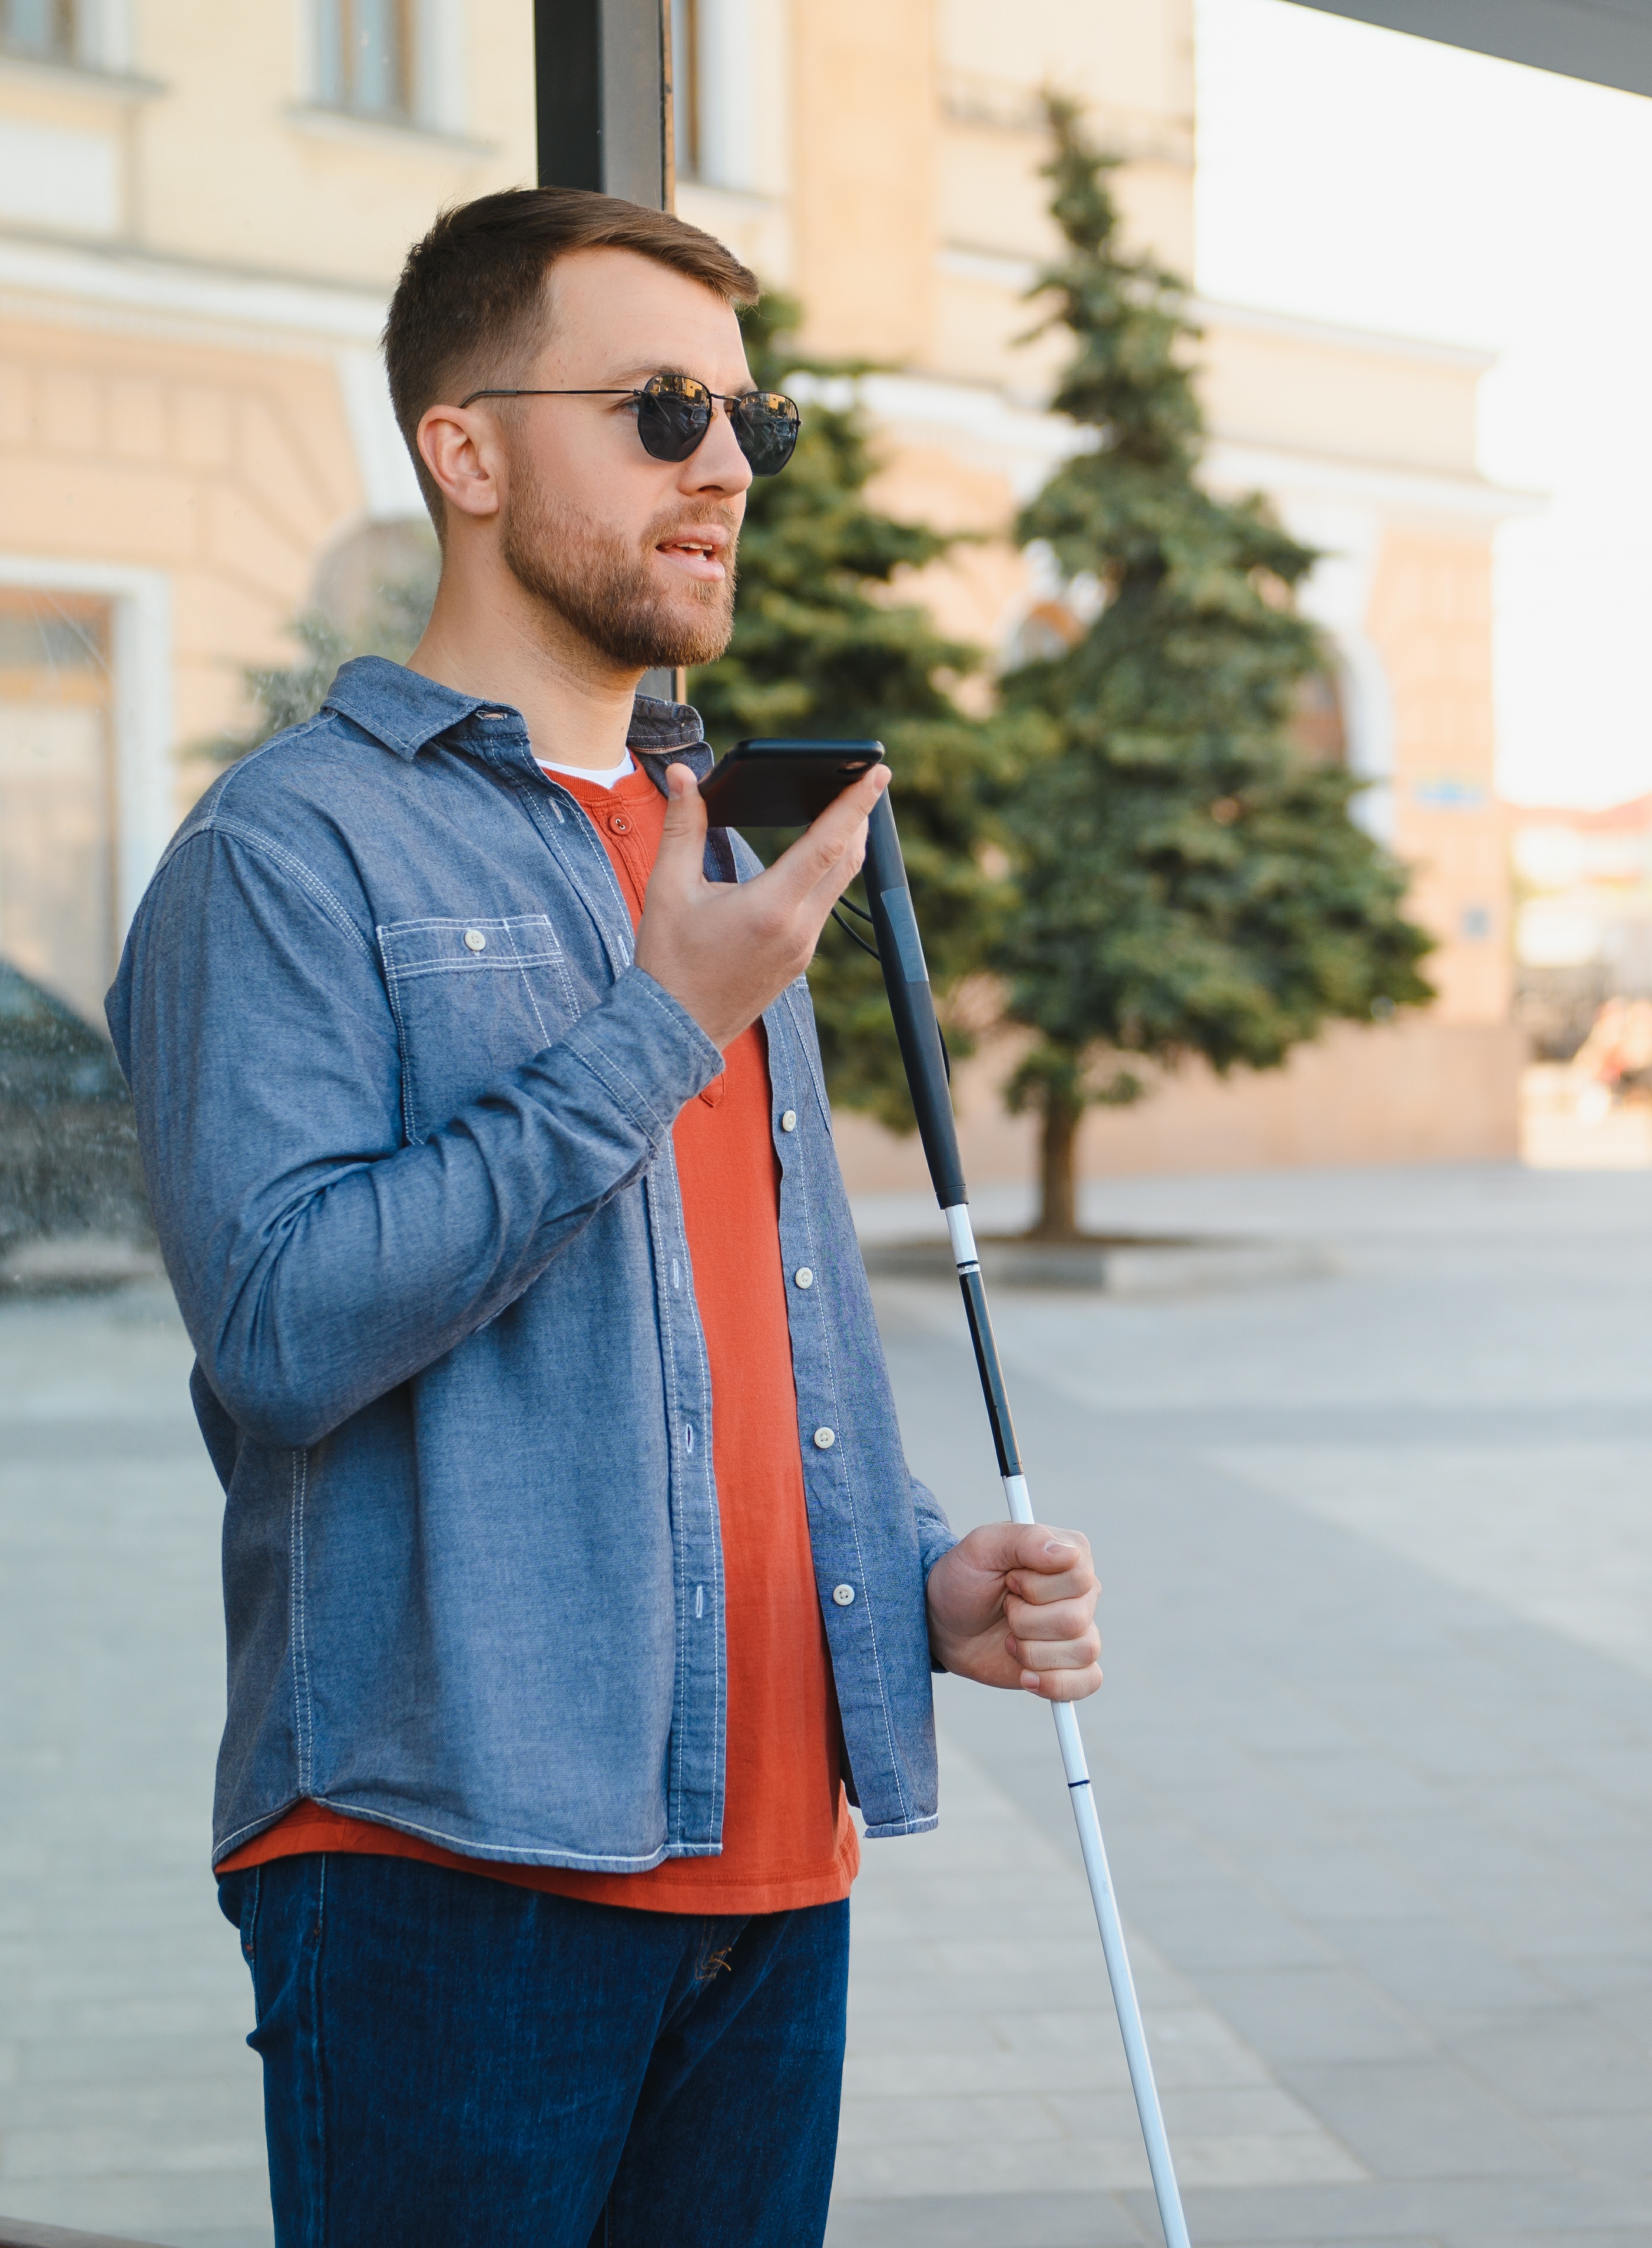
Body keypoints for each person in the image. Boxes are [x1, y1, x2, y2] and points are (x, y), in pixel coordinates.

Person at [106, 187, 1108, 2246]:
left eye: (756, 419)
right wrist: (663, 1023)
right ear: (462, 453)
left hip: (773, 1861)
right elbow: (282, 1321)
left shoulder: (711, 835)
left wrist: (914, 1581)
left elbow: (748, 1319)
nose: (728, 467)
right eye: (662, 411)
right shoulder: (289, 851)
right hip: (447, 1863)